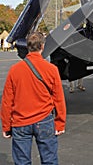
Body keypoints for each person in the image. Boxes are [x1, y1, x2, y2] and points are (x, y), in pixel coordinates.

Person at [1, 31, 66, 164]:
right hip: (44, 120)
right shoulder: (52, 69)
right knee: (49, 160)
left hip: (20, 122)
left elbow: (7, 101)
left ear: (27, 46)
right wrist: (60, 123)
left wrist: (6, 126)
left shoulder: (15, 70)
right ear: (42, 46)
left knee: (22, 162)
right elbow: (58, 98)